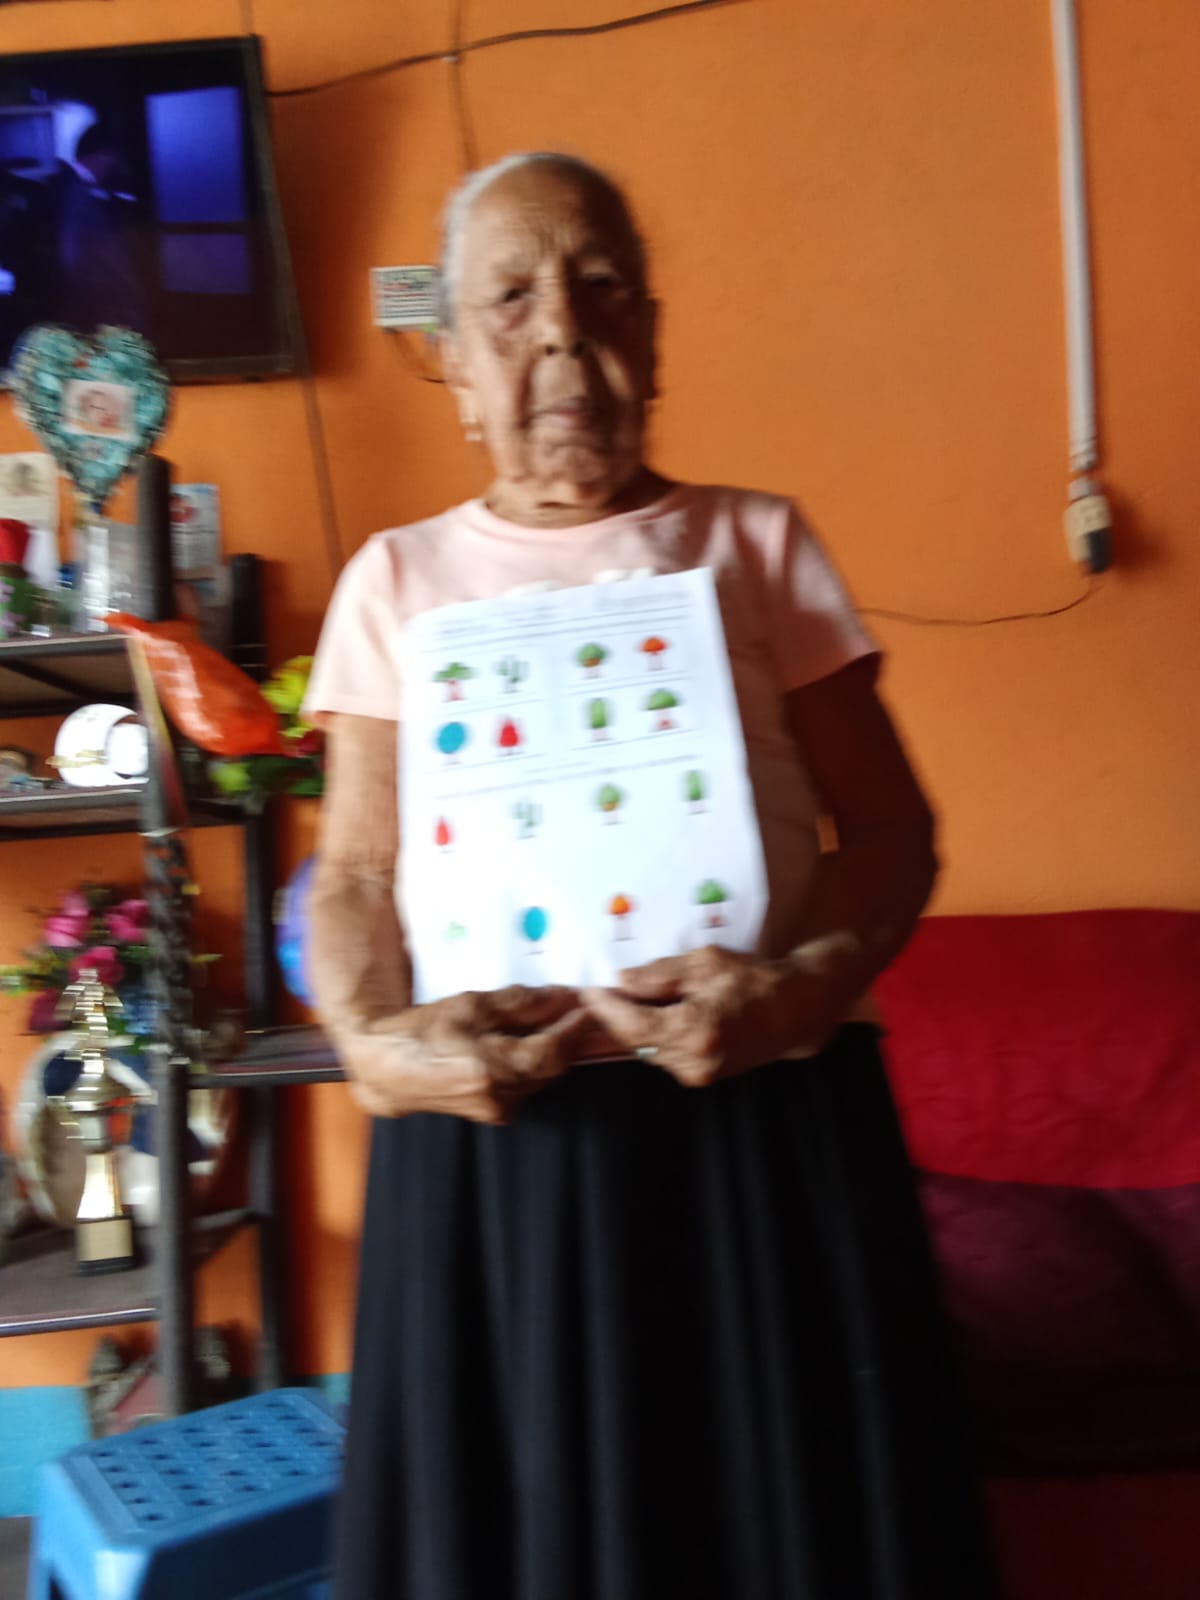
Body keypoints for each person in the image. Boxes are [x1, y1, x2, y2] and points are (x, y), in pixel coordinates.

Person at [306, 151, 997, 1600]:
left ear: (656, 337)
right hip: (499, 1141)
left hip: (761, 1121)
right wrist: (370, 1041)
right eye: (512, 300)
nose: (564, 332)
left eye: (603, 289)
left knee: (790, 1528)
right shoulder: (394, 580)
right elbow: (356, 873)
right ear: (453, 362)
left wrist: (799, 990)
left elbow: (891, 833)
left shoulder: (757, 541)